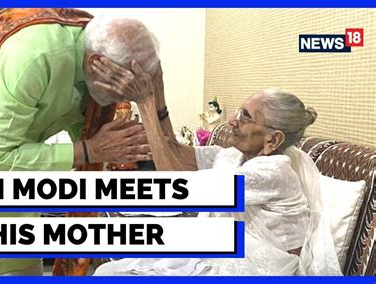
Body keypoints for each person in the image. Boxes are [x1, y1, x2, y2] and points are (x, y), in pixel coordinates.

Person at [0, 8, 161, 276]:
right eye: (125, 85)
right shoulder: (37, 56)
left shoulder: (91, 66)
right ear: (97, 63)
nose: (127, 96)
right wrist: (89, 150)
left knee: (23, 258)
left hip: (13, 152)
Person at [87, 58, 341, 275]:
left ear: (272, 140)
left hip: (258, 268)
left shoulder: (274, 171)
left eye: (245, 117)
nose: (232, 120)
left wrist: (144, 103)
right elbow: (175, 151)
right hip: (226, 253)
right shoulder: (233, 157)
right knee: (109, 270)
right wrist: (158, 85)